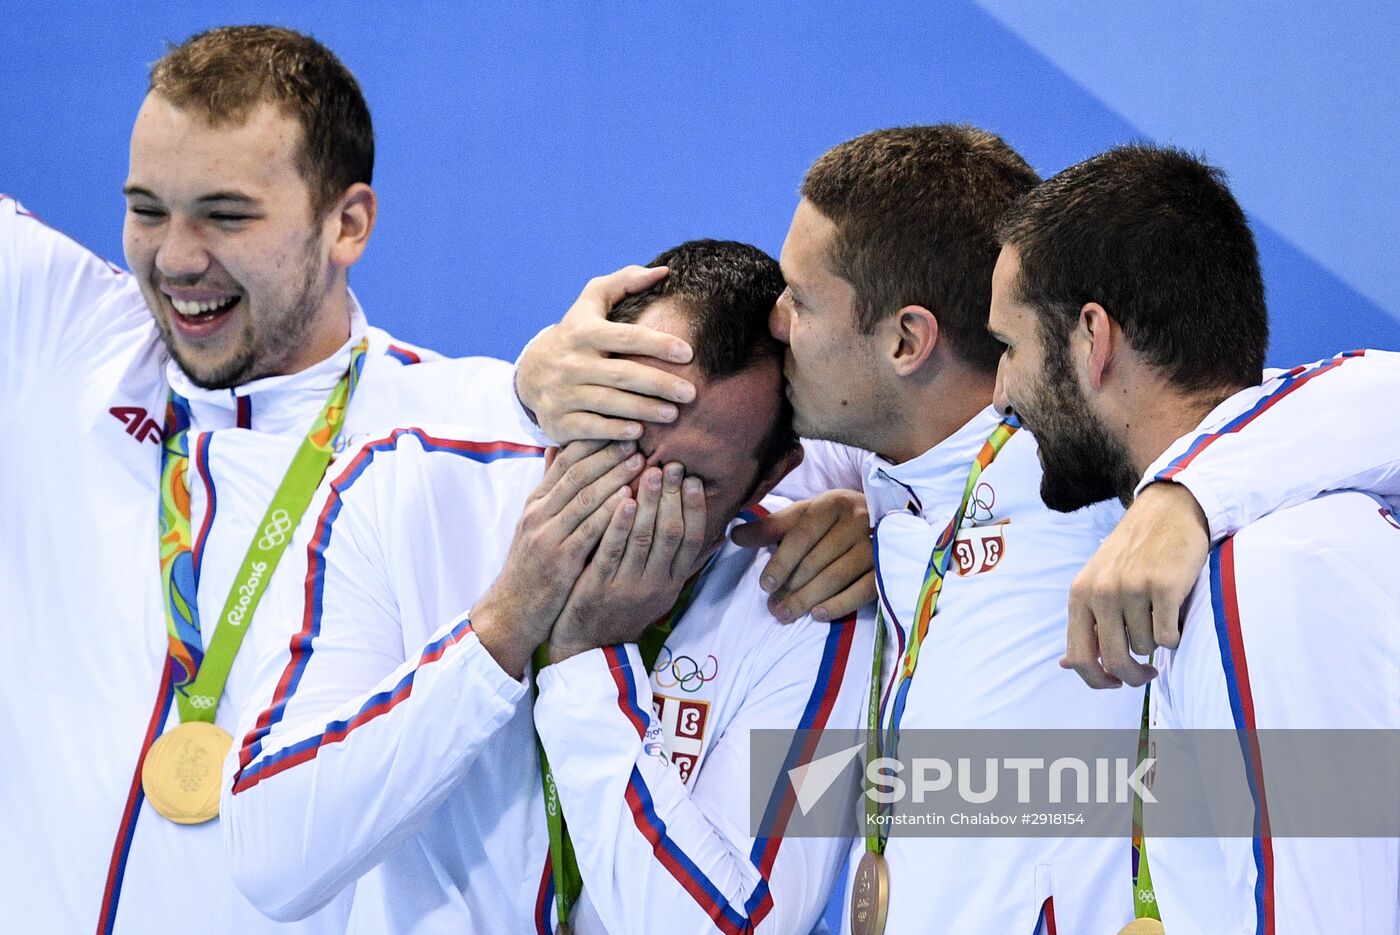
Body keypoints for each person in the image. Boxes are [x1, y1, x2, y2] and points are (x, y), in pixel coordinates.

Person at [0, 25, 866, 934]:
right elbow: (276, 852)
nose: (176, 256)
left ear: (349, 222)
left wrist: (877, 516)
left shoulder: (446, 433)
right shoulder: (61, 339)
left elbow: (900, 422)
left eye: (226, 214)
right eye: (145, 209)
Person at [519, 125, 1400, 934]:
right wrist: (535, 375)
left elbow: (1368, 402)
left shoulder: (1082, 463)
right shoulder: (873, 464)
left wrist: (1185, 497)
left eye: (800, 299)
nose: (776, 322)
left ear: (906, 341)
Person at [221, 239, 876, 933]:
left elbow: (743, 927)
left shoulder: (815, 607)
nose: (629, 498)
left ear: (768, 480)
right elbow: (271, 859)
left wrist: (590, 660)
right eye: (615, 434)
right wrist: (501, 626)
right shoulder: (395, 488)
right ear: (573, 388)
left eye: (689, 482)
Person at [989, 143, 1400, 935]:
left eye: (1009, 348)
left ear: (1091, 337)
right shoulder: (1260, 538)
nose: (1001, 395)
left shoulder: (1264, 571)